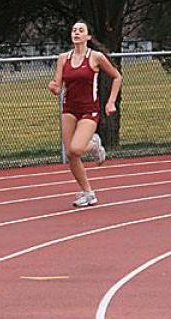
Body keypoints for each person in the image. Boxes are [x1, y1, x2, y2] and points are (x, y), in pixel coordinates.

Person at [48, 20, 122, 207]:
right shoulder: (63, 58)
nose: (76, 33)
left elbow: (116, 76)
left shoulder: (96, 57)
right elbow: (59, 85)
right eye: (74, 30)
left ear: (88, 36)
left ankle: (95, 145)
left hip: (89, 109)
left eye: (81, 30)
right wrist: (54, 88)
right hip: (69, 109)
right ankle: (88, 193)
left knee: (76, 149)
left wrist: (111, 101)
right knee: (70, 154)